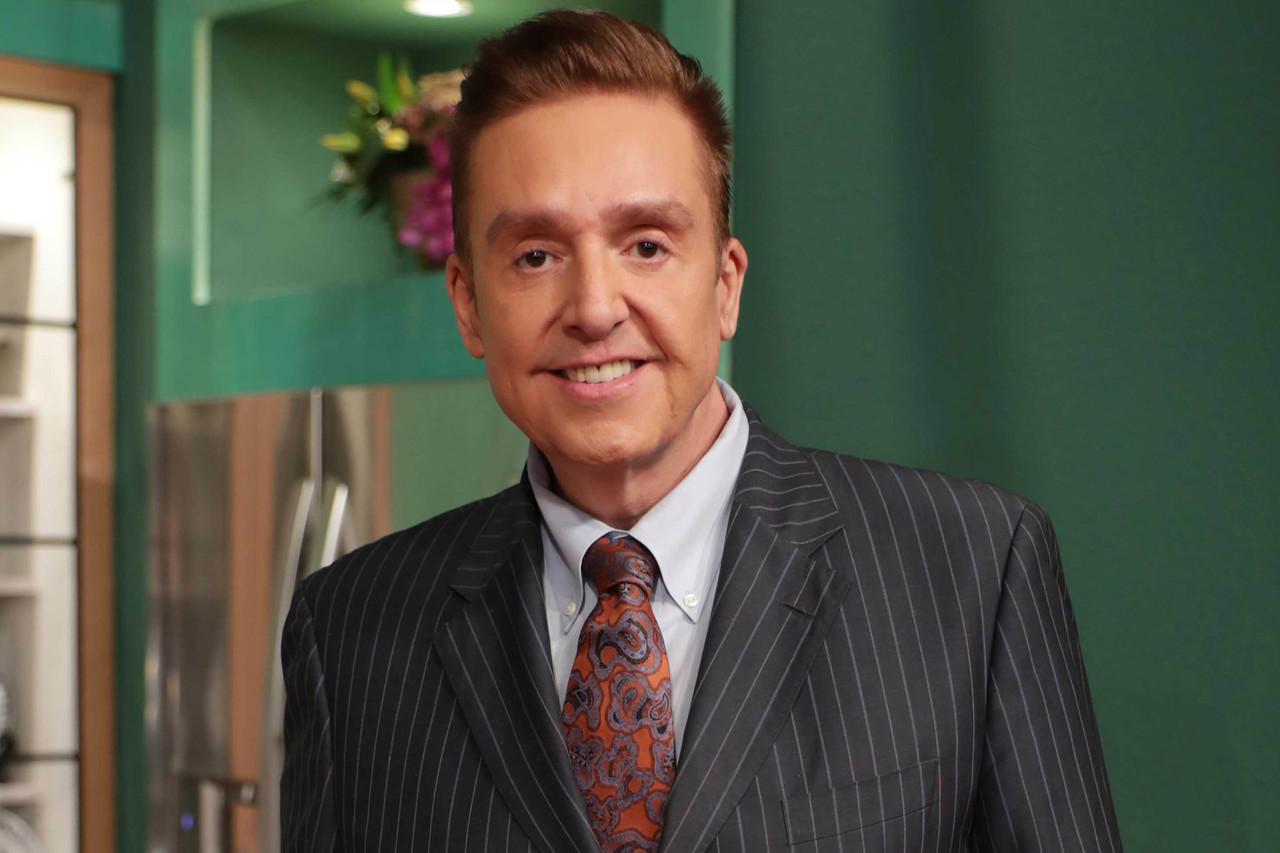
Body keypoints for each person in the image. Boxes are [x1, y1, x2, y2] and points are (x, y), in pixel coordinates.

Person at [281, 10, 1122, 852]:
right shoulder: (348, 631)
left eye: (646, 245)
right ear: (468, 304)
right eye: (536, 255)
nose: (594, 308)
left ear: (725, 285)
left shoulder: (973, 570)